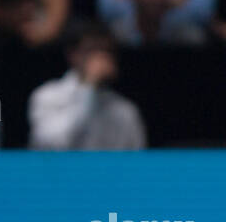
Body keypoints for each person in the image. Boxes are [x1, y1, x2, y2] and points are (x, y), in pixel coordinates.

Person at [28, 21, 146, 150]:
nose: (101, 57)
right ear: (72, 54)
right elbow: (50, 145)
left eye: (107, 51)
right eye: (92, 50)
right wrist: (89, 87)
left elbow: (136, 159)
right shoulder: (47, 96)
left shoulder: (125, 110)